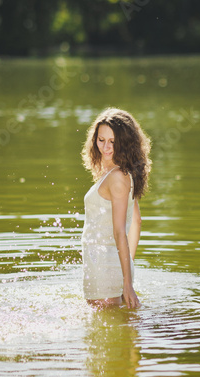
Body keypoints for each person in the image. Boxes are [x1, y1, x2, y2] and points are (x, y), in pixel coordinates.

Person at [81, 107, 152, 309]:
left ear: (125, 143)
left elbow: (121, 230)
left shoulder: (118, 178)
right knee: (116, 332)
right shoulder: (121, 173)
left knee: (105, 334)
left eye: (113, 141)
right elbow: (137, 221)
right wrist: (127, 266)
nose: (106, 147)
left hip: (103, 267)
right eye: (101, 140)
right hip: (108, 265)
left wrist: (127, 283)